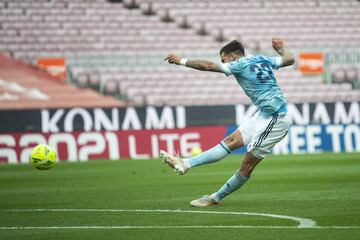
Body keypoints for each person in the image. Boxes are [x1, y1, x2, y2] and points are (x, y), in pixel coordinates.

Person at [161, 37, 295, 207]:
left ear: (232, 56)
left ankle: (215, 198)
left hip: (277, 119)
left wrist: (182, 61)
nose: (222, 63)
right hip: (263, 114)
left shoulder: (239, 64)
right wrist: (280, 49)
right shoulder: (261, 58)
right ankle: (185, 163)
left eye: (223, 59)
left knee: (246, 165)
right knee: (229, 141)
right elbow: (290, 59)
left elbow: (207, 66)